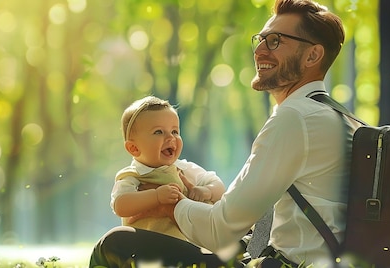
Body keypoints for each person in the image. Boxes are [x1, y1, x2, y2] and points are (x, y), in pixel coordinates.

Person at [89, 0, 354, 267]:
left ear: (312, 56)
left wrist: (168, 204)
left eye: (275, 41)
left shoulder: (295, 118)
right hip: (303, 257)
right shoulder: (339, 117)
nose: (260, 50)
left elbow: (221, 230)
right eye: (261, 40)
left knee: (117, 244)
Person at [111, 96, 226, 241]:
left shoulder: (184, 168)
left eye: (175, 131)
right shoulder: (133, 176)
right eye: (158, 132)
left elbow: (220, 187)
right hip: (153, 247)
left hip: (193, 245)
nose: (171, 138)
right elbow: (120, 205)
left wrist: (207, 191)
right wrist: (156, 196)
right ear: (134, 148)